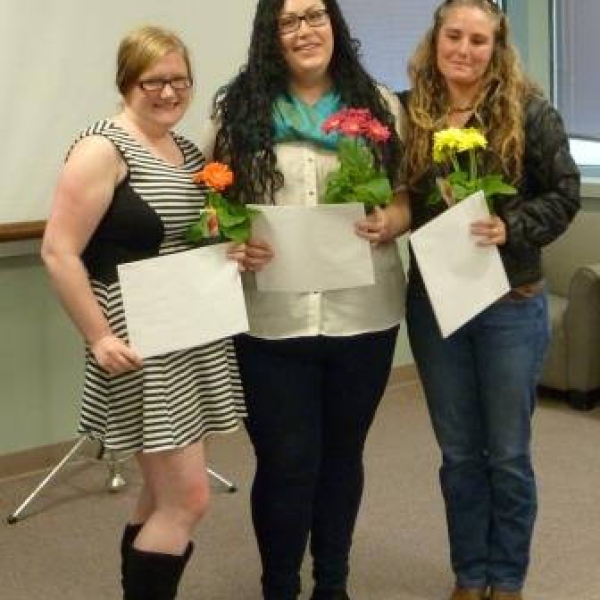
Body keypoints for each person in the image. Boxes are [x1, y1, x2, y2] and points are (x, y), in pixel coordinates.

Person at [199, 1, 410, 599]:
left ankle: (332, 585)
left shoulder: (378, 104)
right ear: (272, 33)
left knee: (343, 457)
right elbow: (213, 205)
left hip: (363, 315)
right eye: (290, 21)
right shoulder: (236, 109)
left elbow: (404, 195)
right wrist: (232, 238)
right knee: (287, 462)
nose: (305, 30)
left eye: (316, 15)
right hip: (270, 319)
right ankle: (280, 587)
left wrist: (391, 221)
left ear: (335, 26)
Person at [41, 26, 246, 600]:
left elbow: (184, 240)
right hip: (137, 345)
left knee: (160, 496)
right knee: (190, 499)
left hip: (186, 333)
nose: (168, 91)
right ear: (127, 82)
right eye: (154, 80)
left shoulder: (185, 150)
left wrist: (224, 248)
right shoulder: (101, 148)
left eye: (180, 80)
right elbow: (58, 252)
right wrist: (98, 337)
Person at [399, 1, 580, 599]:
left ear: (496, 46)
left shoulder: (529, 111)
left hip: (510, 302)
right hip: (438, 305)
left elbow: (564, 194)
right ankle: (468, 575)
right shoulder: (410, 113)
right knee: (458, 454)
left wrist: (513, 226)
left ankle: (507, 580)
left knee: (506, 454)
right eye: (455, 36)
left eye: (480, 40)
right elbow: (401, 197)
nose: (465, 50)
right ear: (436, 39)